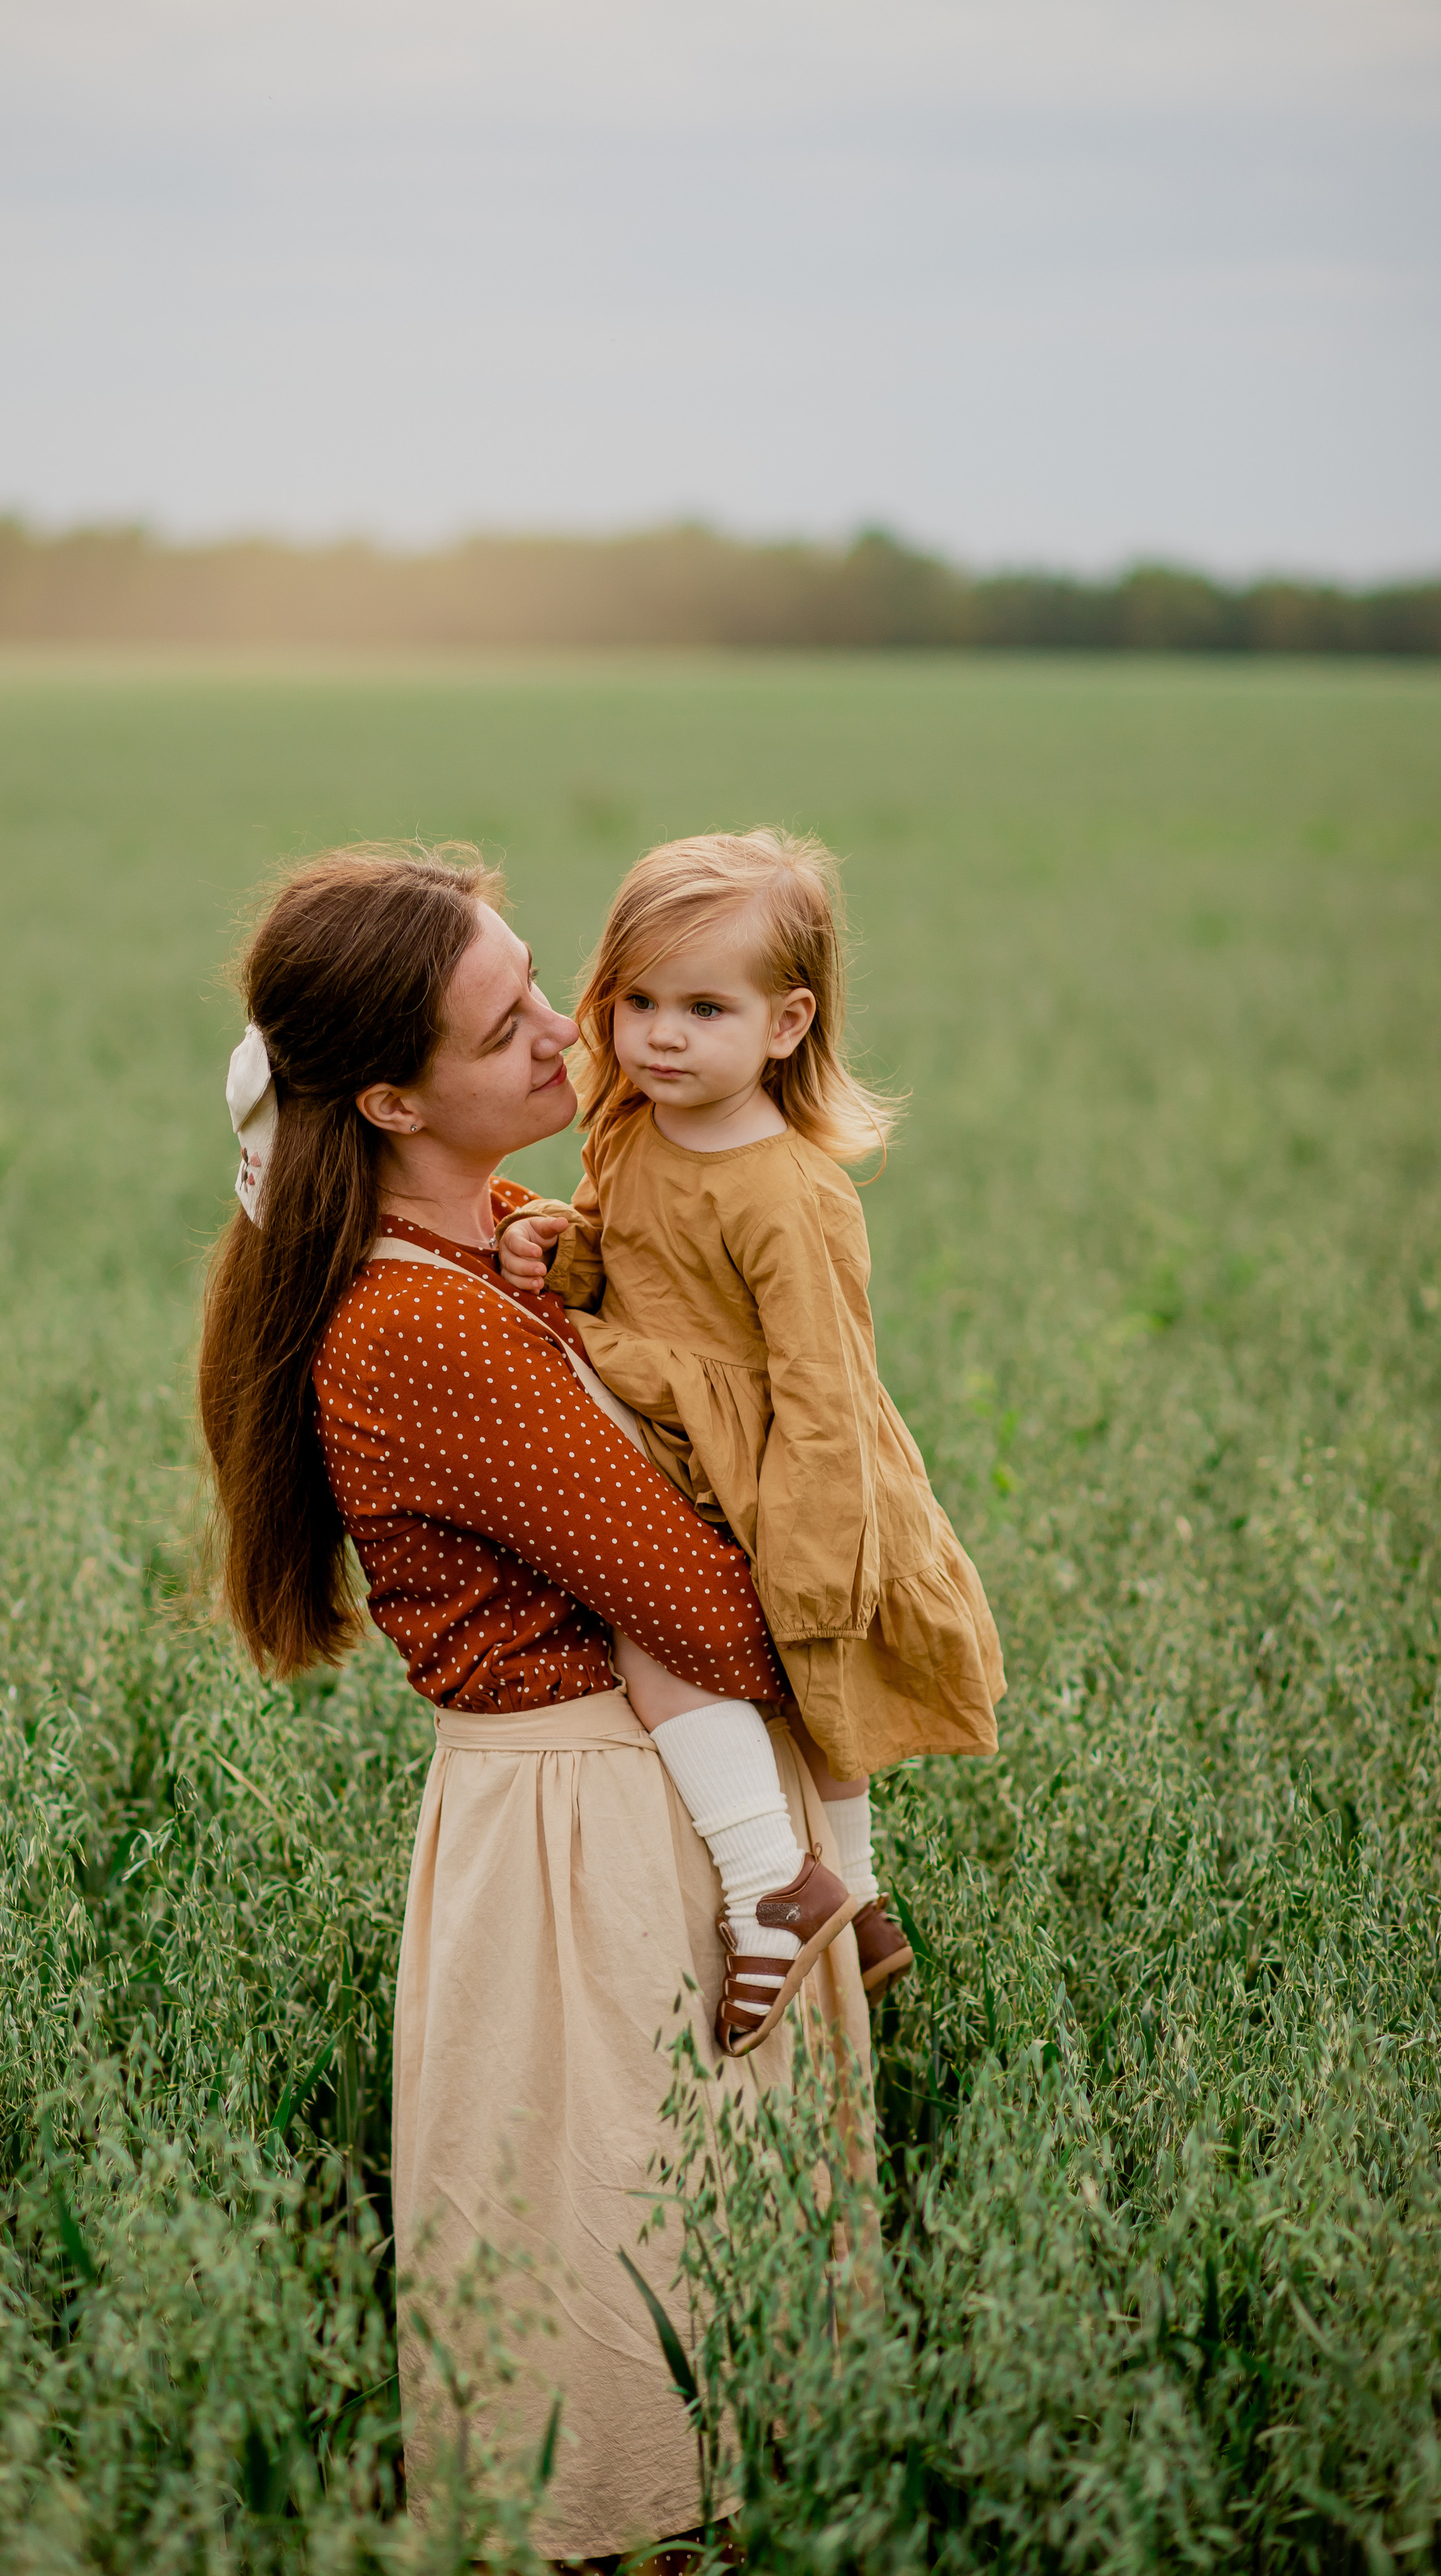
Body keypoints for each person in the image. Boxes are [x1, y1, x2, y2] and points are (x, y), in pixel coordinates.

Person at [197, 843, 877, 2564]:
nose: (564, 1039)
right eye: (503, 1028)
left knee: (707, 2325)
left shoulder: (504, 1235)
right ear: (387, 1100)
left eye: (537, 991)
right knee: (624, 2335)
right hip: (593, 1851)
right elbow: (710, 1612)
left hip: (655, 1808)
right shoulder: (418, 1328)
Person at [498, 829, 1004, 2047]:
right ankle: (855, 1904)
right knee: (728, 1657)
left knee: (794, 1677)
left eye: (704, 1009)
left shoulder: (787, 1190)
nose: (661, 1037)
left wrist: (818, 1548)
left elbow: (825, 1383)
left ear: (786, 1024)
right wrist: (554, 1247)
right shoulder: (632, 1130)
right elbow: (621, 1257)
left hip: (782, 1466)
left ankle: (779, 1883)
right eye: (638, 1003)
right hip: (676, 1432)